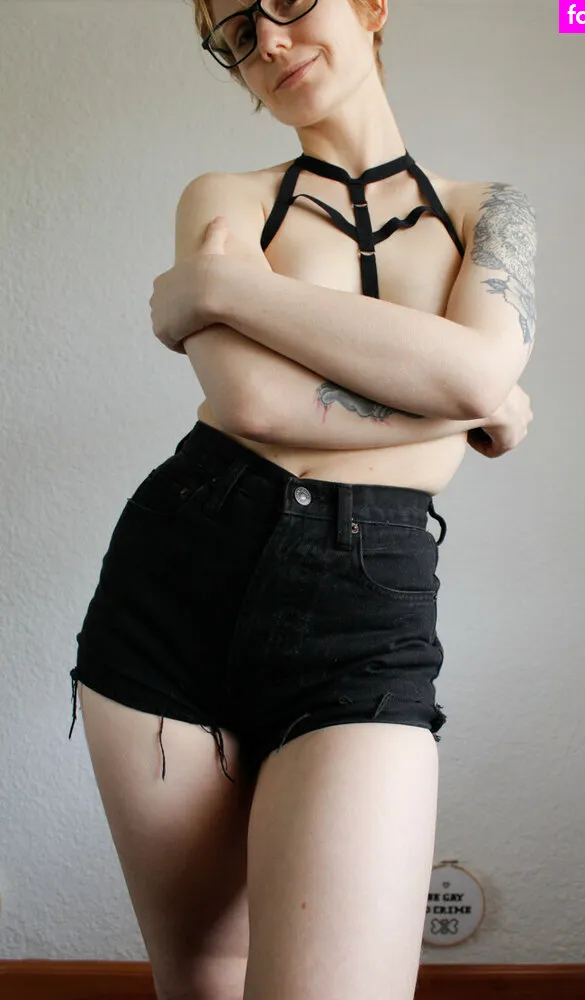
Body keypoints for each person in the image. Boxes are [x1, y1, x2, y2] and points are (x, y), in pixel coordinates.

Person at [68, 1, 537, 997]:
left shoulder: (492, 212)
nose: (268, 40)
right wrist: (463, 403)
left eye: (285, 2)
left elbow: (479, 368)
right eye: (239, 35)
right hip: (175, 588)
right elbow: (252, 400)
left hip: (366, 614)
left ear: (371, 6)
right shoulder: (222, 197)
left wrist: (226, 291)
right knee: (203, 974)